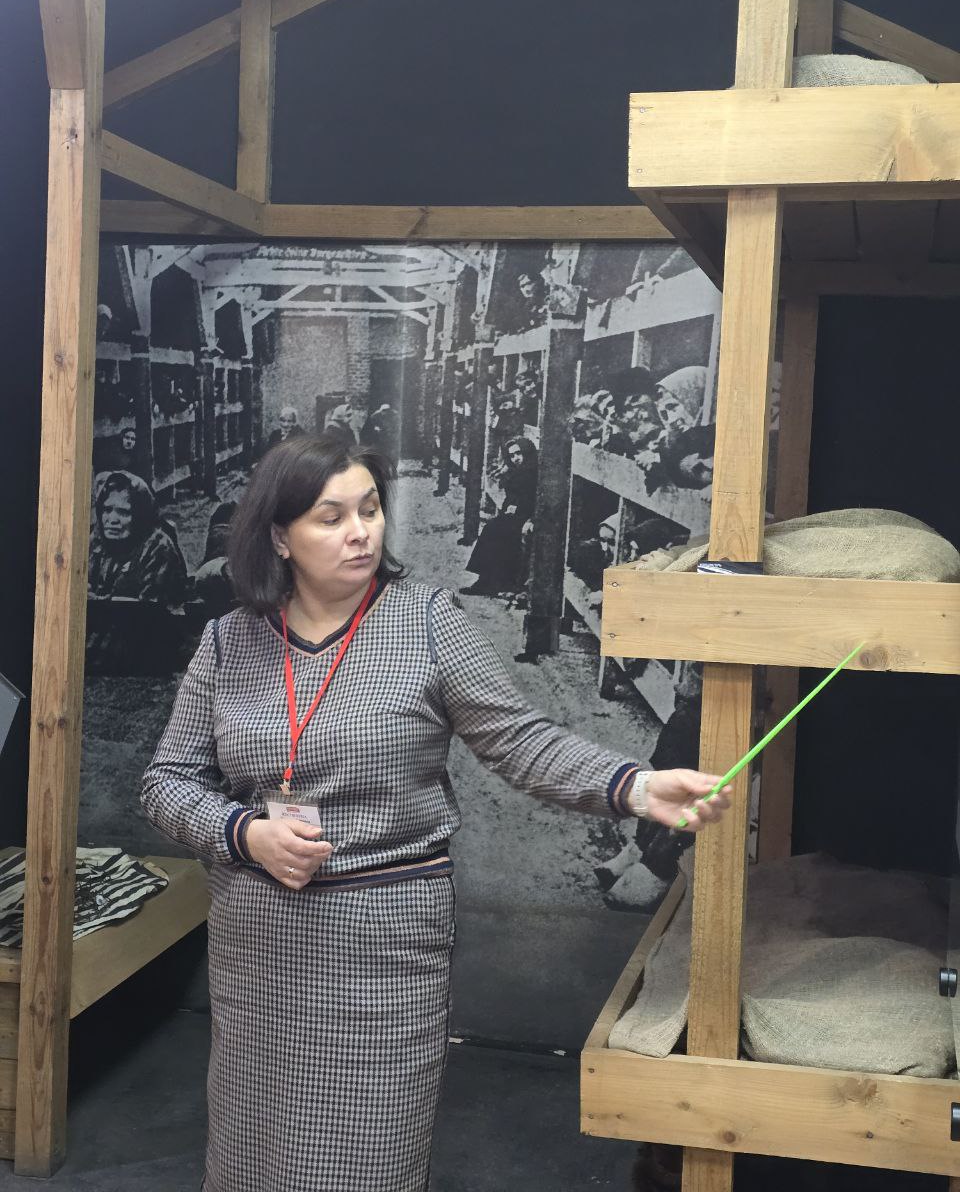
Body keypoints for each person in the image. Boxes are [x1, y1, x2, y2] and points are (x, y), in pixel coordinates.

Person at [140, 434, 731, 1192]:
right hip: (261, 945)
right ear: (280, 537)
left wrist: (636, 788)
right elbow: (167, 782)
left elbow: (518, 740)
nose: (361, 532)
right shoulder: (229, 642)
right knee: (256, 1157)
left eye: (370, 509)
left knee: (371, 1157)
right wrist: (244, 833)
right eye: (331, 517)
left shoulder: (425, 621)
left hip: (384, 945)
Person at [86, 471, 188, 672]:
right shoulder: (96, 540)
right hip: (102, 638)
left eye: (123, 512)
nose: (112, 519)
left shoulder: (158, 546)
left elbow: (147, 612)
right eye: (107, 510)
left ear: (140, 514)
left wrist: (96, 601)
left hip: (142, 644)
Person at [462, 436, 538, 596]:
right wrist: (509, 507)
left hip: (529, 516)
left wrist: (519, 510)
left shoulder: (534, 472)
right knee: (492, 528)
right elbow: (511, 497)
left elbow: (533, 500)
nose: (515, 458)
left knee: (497, 530)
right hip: (516, 515)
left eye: (518, 453)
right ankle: (486, 580)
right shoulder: (517, 472)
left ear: (526, 452)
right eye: (512, 455)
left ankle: (490, 582)